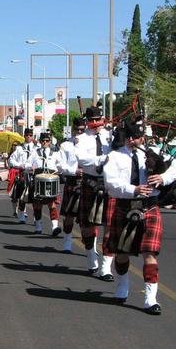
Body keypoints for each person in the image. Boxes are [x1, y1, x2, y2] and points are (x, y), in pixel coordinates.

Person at [104, 120, 176, 315]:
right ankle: (122, 286)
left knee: (150, 253)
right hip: (125, 206)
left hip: (150, 207)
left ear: (142, 138)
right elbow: (110, 183)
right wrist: (134, 189)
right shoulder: (114, 157)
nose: (133, 141)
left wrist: (163, 177)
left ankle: (150, 298)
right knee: (121, 253)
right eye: (130, 138)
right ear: (126, 137)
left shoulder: (154, 153)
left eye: (137, 138)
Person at [75, 106, 115, 281]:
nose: (95, 124)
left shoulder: (111, 136)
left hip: (109, 183)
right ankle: (91, 254)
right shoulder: (81, 139)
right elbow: (81, 158)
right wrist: (101, 159)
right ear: (87, 121)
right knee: (87, 226)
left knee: (110, 226)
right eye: (92, 121)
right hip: (90, 182)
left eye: (98, 120)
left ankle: (106, 267)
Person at [57, 118, 85, 252]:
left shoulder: (92, 145)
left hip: (88, 183)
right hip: (72, 182)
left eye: (82, 130)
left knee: (89, 218)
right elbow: (61, 165)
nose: (79, 132)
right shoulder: (66, 145)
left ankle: (91, 246)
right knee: (69, 216)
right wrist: (74, 171)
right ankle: (67, 241)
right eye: (77, 129)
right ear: (73, 130)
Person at [27, 132, 62, 235]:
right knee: (37, 205)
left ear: (50, 142)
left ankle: (55, 227)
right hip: (38, 181)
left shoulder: (55, 153)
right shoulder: (35, 152)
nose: (45, 143)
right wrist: (30, 167)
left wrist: (59, 171)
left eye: (47, 141)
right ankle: (38, 227)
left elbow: (60, 165)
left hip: (50, 181)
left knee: (52, 205)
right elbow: (27, 163)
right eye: (43, 141)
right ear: (40, 141)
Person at [8, 128, 38, 223]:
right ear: (24, 136)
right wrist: (18, 165)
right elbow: (11, 160)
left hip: (33, 174)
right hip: (22, 173)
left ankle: (36, 217)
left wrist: (36, 166)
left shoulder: (36, 148)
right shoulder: (19, 148)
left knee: (35, 197)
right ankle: (21, 215)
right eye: (26, 135)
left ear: (32, 136)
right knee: (22, 195)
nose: (28, 137)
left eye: (30, 135)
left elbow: (40, 160)